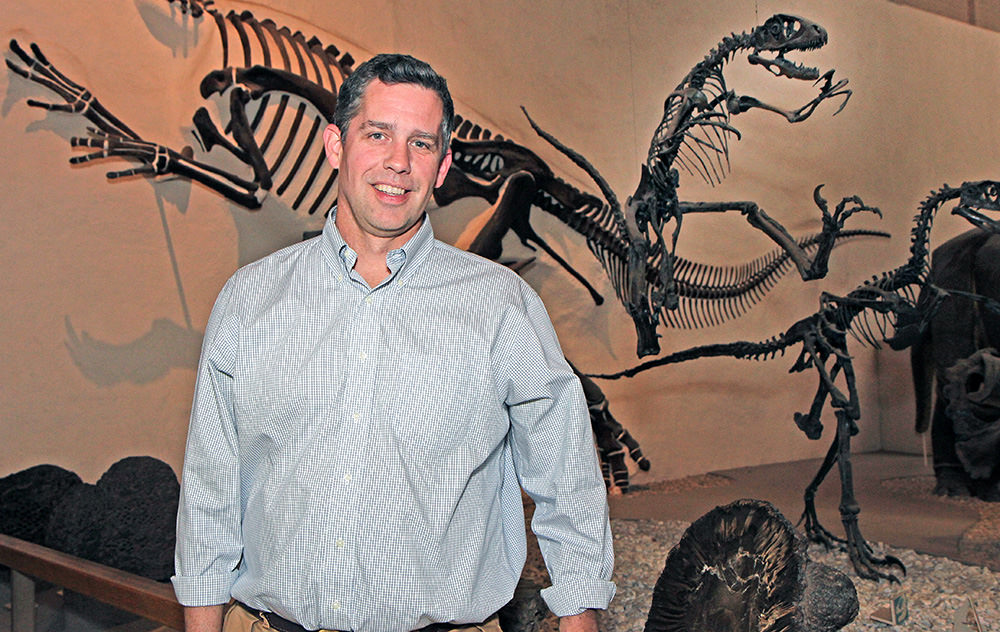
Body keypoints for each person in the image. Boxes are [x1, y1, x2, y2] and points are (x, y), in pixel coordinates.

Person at [171, 53, 615, 632]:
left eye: (422, 144)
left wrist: (580, 617)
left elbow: (569, 483)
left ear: (443, 164)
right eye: (377, 134)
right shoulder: (249, 300)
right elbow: (210, 493)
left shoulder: (503, 308)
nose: (398, 162)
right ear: (336, 145)